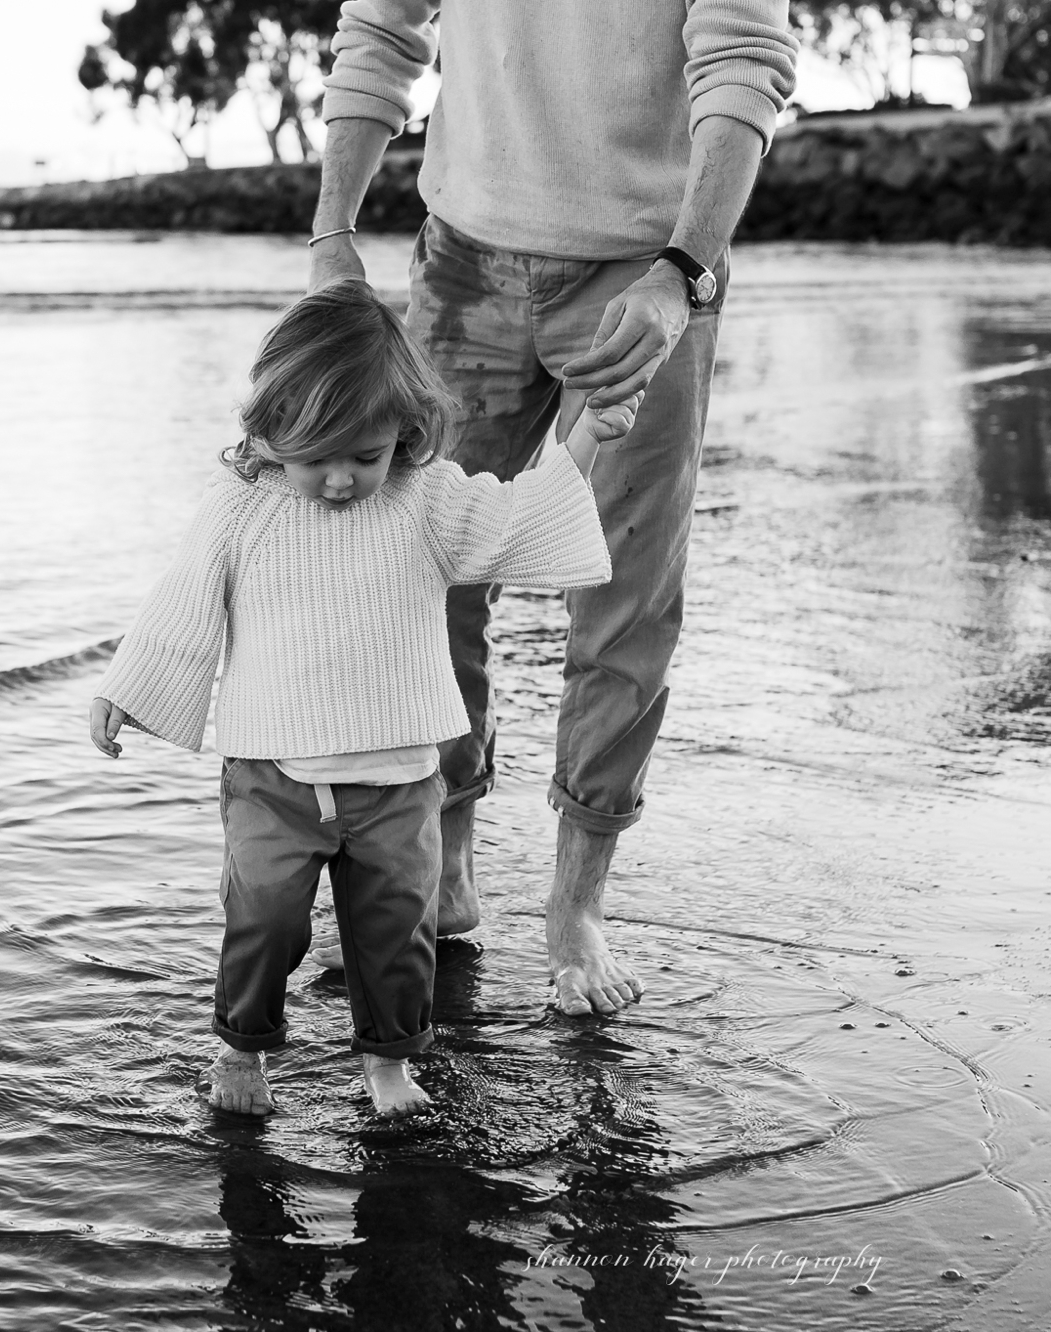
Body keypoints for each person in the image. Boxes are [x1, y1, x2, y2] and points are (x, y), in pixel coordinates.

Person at [303, 1, 799, 1016]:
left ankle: (574, 909)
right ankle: (441, 871)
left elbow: (743, 61)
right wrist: (331, 233)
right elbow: (379, 29)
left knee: (619, 591)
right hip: (462, 257)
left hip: (644, 267)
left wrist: (682, 271)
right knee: (421, 564)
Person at [88, 279, 630, 1116]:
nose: (341, 480)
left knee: (397, 934)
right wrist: (128, 686)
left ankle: (387, 1067)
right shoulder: (240, 508)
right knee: (262, 924)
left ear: (404, 437)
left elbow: (521, 517)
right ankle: (241, 1055)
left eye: (365, 457)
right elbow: (183, 598)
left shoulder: (425, 499)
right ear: (269, 433)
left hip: (402, 780)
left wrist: (587, 430)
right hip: (275, 777)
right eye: (315, 460)